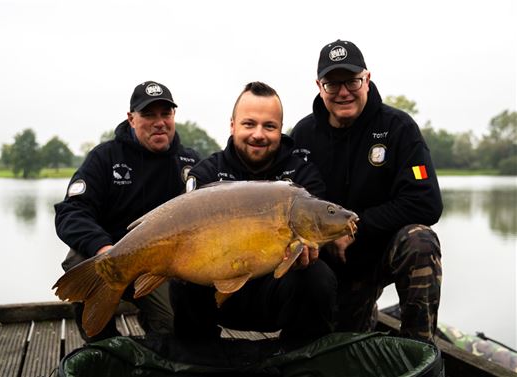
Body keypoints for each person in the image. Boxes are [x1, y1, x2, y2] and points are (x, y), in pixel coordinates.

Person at [290, 40, 443, 342]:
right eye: (333, 83)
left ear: (367, 79)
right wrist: (330, 236)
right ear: (319, 86)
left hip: (378, 253)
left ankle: (417, 350)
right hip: (325, 263)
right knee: (338, 345)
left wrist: (355, 228)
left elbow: (426, 203)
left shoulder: (398, 128)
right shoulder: (303, 134)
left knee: (420, 241)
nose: (343, 91)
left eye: (352, 81)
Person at [170, 81, 338, 344]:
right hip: (217, 290)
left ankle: (302, 359)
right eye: (249, 124)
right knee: (182, 278)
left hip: (275, 292)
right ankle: (198, 357)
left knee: (318, 277)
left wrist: (313, 250)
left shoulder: (302, 176)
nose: (258, 134)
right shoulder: (206, 173)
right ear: (233, 125)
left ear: (280, 130)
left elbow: (320, 226)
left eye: (269, 126)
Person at [54, 81, 200, 342]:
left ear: (174, 117)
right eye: (148, 115)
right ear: (131, 119)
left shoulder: (190, 163)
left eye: (165, 114)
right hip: (111, 255)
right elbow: (71, 212)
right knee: (80, 261)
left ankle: (154, 331)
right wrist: (103, 248)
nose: (159, 122)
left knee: (173, 325)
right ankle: (105, 343)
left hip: (160, 266)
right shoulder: (104, 158)